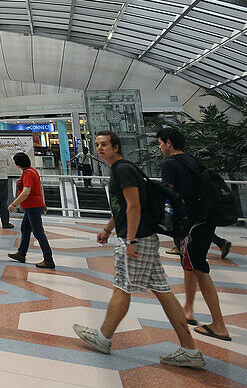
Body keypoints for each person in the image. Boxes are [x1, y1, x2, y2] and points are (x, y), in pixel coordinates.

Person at [73, 131, 206, 370]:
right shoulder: (123, 169)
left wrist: (130, 240)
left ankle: (103, 337)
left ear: (116, 147)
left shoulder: (122, 170)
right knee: (163, 291)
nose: (100, 148)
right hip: (143, 237)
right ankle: (190, 350)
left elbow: (134, 206)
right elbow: (123, 208)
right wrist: (107, 229)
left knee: (122, 288)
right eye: (97, 145)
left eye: (105, 145)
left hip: (137, 240)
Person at [158, 127, 231, 342]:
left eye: (161, 143)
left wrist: (164, 222)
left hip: (191, 222)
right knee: (189, 264)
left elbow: (168, 194)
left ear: (169, 143)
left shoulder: (170, 164)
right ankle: (188, 310)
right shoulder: (191, 161)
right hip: (206, 219)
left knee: (199, 268)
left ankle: (219, 325)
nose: (160, 147)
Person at [7, 152, 55, 269]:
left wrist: (14, 204)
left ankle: (48, 259)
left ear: (18, 163)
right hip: (31, 207)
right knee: (25, 228)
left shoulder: (28, 173)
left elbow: (26, 191)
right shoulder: (32, 171)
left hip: (32, 207)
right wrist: (43, 203)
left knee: (38, 232)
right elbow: (39, 188)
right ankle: (21, 253)